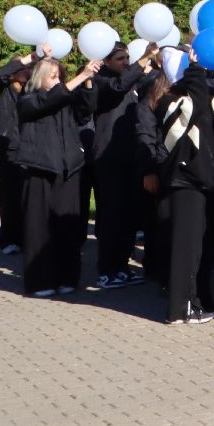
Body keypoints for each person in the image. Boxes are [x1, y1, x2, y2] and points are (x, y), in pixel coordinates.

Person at [137, 44, 214, 324]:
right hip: (183, 181)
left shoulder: (204, 97)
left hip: (206, 181)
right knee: (186, 246)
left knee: (202, 246)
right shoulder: (169, 101)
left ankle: (200, 299)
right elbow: (195, 112)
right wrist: (196, 71)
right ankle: (180, 307)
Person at [13, 49, 102, 296]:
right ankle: (40, 281)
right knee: (39, 227)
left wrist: (88, 81)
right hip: (41, 168)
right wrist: (77, 77)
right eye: (52, 77)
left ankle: (67, 278)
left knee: (68, 227)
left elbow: (86, 108)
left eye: (59, 77)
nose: (58, 81)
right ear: (40, 78)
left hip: (69, 169)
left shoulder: (65, 98)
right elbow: (48, 101)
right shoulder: (28, 100)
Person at [85, 43, 155, 289]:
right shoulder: (102, 79)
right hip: (109, 157)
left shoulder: (131, 81)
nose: (126, 61)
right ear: (106, 61)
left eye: (128, 57)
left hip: (130, 156)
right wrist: (144, 59)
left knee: (127, 216)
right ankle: (106, 270)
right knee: (111, 215)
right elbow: (118, 87)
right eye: (120, 58)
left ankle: (122, 267)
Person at [0, 53, 34, 256]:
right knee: (10, 196)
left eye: (29, 68)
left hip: (31, 148)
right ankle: (9, 239)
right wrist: (24, 59)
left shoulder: (31, 92)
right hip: (9, 148)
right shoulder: (1, 90)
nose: (27, 71)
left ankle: (27, 237)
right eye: (23, 68)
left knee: (29, 195)